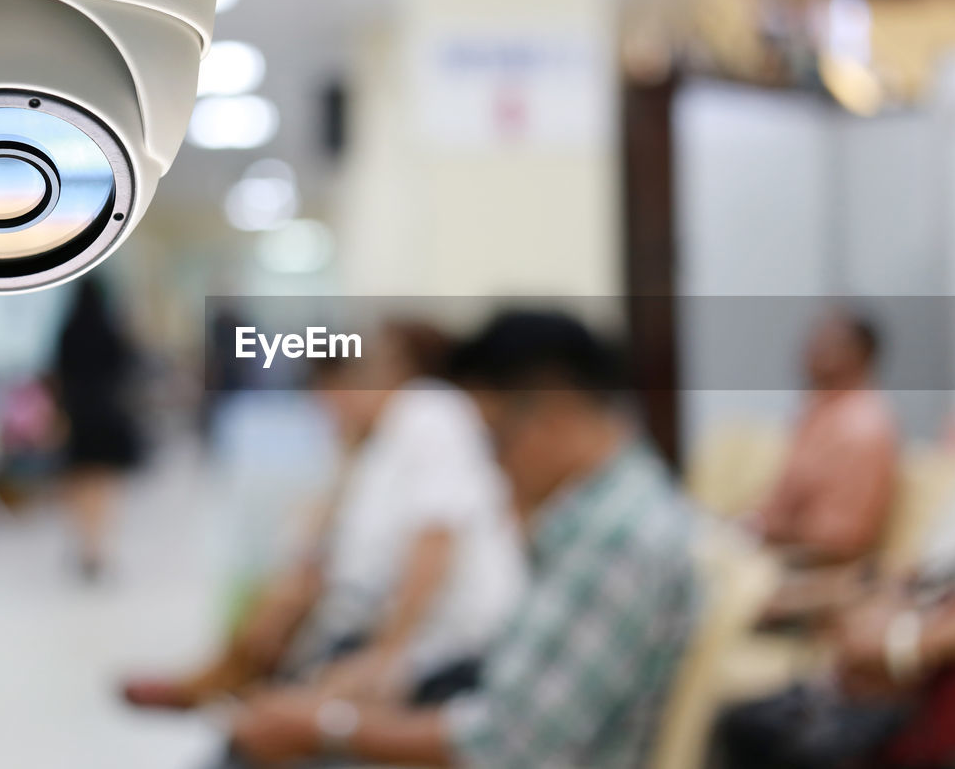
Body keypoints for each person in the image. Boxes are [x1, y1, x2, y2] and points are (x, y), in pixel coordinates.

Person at [225, 311, 698, 769]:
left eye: (494, 441)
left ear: (554, 414)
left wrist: (329, 727)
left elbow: (507, 746)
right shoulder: (603, 513)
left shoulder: (613, 540)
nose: (492, 467)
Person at [123, 321, 526, 712]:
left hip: (443, 646)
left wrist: (386, 656)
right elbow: (331, 540)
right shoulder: (377, 442)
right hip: (380, 629)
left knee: (283, 715)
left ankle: (225, 685)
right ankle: (223, 678)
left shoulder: (428, 411)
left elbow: (435, 538)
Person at [721, 346, 955, 768]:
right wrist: (866, 611)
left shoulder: (863, 426)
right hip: (909, 642)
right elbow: (923, 570)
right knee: (741, 727)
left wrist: (906, 644)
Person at [747, 308, 899, 567]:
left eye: (826, 342)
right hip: (778, 558)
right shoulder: (820, 413)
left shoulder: (860, 427)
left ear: (861, 355)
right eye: (813, 339)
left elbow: (839, 544)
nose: (810, 350)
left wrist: (752, 541)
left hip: (816, 574)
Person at [52, 276, 143, 580]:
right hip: (107, 415)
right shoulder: (111, 331)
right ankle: (99, 547)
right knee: (104, 484)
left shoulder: (66, 331)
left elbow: (58, 377)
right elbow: (127, 371)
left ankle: (85, 545)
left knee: (80, 483)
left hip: (78, 414)